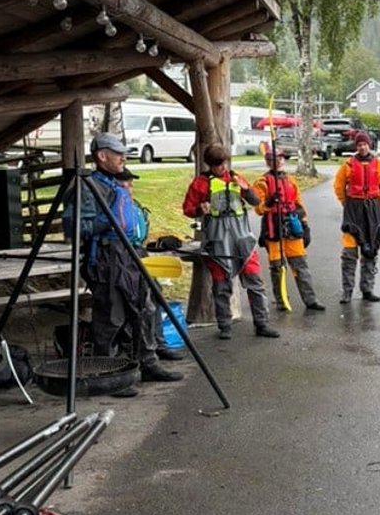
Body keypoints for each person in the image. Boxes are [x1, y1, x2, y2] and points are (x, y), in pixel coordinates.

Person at [65, 132, 182, 385]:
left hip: (131, 253)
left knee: (145, 308)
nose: (123, 158)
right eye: (118, 154)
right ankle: (108, 373)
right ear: (102, 156)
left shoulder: (115, 184)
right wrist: (106, 223)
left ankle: (148, 363)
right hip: (107, 257)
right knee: (111, 316)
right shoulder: (88, 187)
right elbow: (74, 227)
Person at [181, 144, 279, 340]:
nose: (221, 168)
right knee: (221, 287)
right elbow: (188, 209)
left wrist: (246, 190)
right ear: (210, 165)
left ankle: (262, 323)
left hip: (243, 240)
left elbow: (255, 201)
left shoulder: (236, 178)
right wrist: (200, 209)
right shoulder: (200, 184)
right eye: (217, 165)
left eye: (223, 163)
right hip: (218, 241)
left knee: (254, 282)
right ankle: (225, 326)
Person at [252, 149, 325, 312]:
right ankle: (281, 301)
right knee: (277, 268)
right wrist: (269, 202)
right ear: (267, 162)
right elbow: (258, 209)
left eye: (279, 159)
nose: (277, 162)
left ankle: (311, 300)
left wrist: (304, 225)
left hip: (292, 227)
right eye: (273, 159)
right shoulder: (261, 182)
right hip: (273, 229)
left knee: (300, 265)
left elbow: (298, 204)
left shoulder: (290, 180)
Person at [333, 131, 380, 303]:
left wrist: (377, 204)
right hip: (353, 209)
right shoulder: (347, 165)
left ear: (369, 145)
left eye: (364, 144)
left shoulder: (379, 164)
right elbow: (338, 186)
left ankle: (367, 289)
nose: (362, 147)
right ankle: (347, 291)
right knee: (349, 253)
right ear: (356, 147)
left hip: (372, 209)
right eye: (359, 145)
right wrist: (346, 203)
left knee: (370, 251)